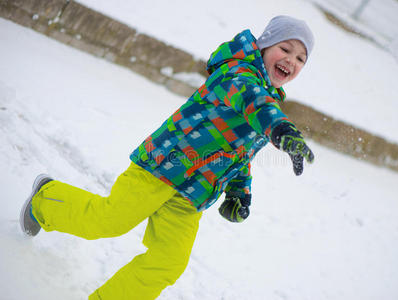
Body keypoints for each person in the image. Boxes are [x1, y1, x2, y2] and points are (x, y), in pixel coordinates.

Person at [19, 15, 315, 299]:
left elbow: (240, 152)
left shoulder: (269, 102)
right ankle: (46, 199)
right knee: (107, 221)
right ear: (264, 46)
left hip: (193, 194)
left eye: (301, 58)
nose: (291, 60)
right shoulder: (237, 75)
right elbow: (252, 101)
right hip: (163, 167)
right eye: (285, 48)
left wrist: (240, 191)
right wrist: (281, 128)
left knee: (169, 261)